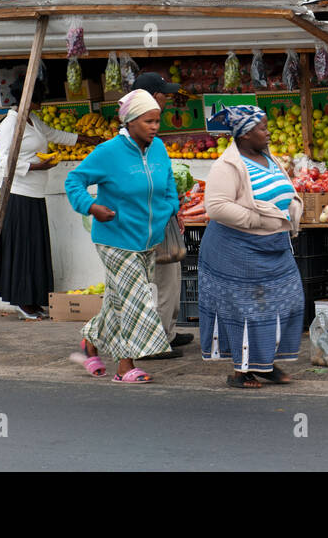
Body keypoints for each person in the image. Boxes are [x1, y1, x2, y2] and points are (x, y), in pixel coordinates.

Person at [64, 90, 179, 383]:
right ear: (130, 122)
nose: (155, 127)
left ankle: (89, 343)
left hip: (148, 240)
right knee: (135, 300)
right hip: (115, 239)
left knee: (118, 299)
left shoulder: (159, 150)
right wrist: (90, 206)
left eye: (157, 121)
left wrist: (170, 210)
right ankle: (125, 367)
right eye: (148, 121)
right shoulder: (108, 152)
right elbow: (74, 179)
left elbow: (168, 185)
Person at [198, 105, 305, 389]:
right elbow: (217, 207)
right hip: (236, 250)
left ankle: (264, 363)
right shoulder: (227, 165)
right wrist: (256, 220)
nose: (268, 132)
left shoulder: (269, 158)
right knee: (246, 310)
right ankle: (240, 372)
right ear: (244, 135)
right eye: (262, 128)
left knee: (288, 300)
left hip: (273, 246)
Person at [0, 73, 100, 320]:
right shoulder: (10, 124)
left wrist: (87, 139)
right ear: (28, 99)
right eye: (39, 99)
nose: (42, 103)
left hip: (35, 194)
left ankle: (33, 298)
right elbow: (3, 163)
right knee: (21, 249)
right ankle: (21, 301)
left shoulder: (32, 120)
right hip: (17, 195)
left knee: (34, 247)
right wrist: (35, 167)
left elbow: (54, 135)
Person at [131, 71, 193, 356]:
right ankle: (155, 342)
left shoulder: (150, 139)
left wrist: (175, 208)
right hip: (149, 223)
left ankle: (165, 332)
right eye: (163, 93)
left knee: (170, 277)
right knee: (161, 281)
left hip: (160, 218)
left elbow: (163, 177)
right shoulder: (136, 142)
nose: (167, 98)